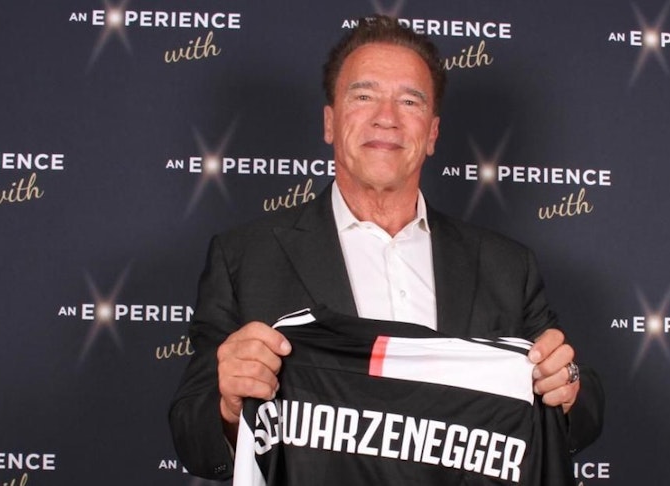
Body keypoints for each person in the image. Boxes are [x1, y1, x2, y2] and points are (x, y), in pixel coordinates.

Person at [169, 14, 604, 483]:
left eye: (409, 101)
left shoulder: (506, 266)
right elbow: (193, 437)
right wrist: (229, 406)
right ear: (330, 122)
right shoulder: (244, 258)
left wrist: (567, 388)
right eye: (364, 96)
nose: (387, 117)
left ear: (432, 133)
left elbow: (582, 412)